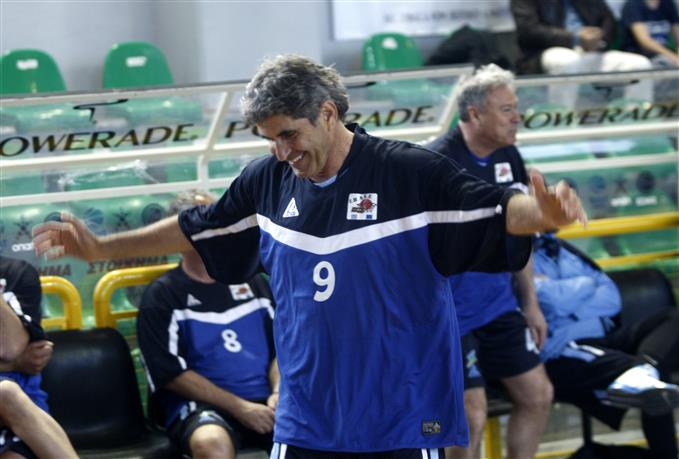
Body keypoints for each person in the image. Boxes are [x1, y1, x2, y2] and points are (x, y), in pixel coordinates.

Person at [32, 54, 587, 456]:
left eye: (289, 134)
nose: (281, 151)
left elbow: (493, 210)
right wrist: (103, 247)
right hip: (307, 414)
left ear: (327, 113)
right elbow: (197, 226)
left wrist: (542, 214)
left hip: (396, 412)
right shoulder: (268, 181)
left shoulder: (406, 172)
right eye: (269, 139)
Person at [427, 64, 553, 459]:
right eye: (506, 110)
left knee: (538, 395)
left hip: (498, 305)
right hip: (449, 315)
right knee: (471, 414)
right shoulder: (435, 163)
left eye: (516, 108)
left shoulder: (509, 155)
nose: (517, 118)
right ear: (474, 114)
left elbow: (519, 233)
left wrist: (530, 304)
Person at [137, 191, 278, 459]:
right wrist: (241, 408)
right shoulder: (162, 295)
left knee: (319, 426)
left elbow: (282, 347)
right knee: (211, 444)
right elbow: (170, 374)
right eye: (206, 222)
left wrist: (279, 392)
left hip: (267, 398)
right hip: (201, 406)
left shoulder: (253, 282)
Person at [533, 233, 679, 459]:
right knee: (656, 381)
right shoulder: (515, 253)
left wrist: (565, 294)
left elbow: (611, 297)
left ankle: (645, 366)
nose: (573, 214)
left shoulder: (563, 249)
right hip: (563, 347)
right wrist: (587, 285)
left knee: (672, 318)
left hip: (606, 335)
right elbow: (550, 302)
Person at [0, 256, 78, 459]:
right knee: (5, 393)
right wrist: (14, 364)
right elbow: (14, 356)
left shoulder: (16, 273)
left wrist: (12, 360)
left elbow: (9, 348)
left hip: (21, 408)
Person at [510, 0, 653, 105]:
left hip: (589, 51)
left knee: (639, 64)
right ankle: (561, 121)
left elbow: (608, 21)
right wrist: (575, 38)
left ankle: (637, 120)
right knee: (568, 60)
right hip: (546, 52)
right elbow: (528, 31)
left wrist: (599, 39)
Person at [621, 0, 679, 67]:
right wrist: (673, 57)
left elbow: (677, 35)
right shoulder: (632, 5)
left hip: (663, 55)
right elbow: (644, 41)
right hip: (638, 55)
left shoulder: (668, 3)